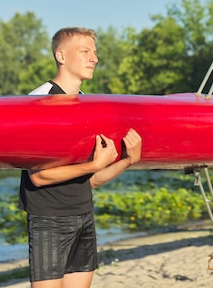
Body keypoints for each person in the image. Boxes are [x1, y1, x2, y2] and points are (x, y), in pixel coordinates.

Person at [18, 27, 142, 288]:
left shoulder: (88, 105)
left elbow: (93, 179)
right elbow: (38, 177)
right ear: (61, 56)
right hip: (49, 220)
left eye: (94, 53)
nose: (94, 58)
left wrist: (128, 160)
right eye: (85, 52)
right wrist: (94, 164)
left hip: (83, 215)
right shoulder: (38, 102)